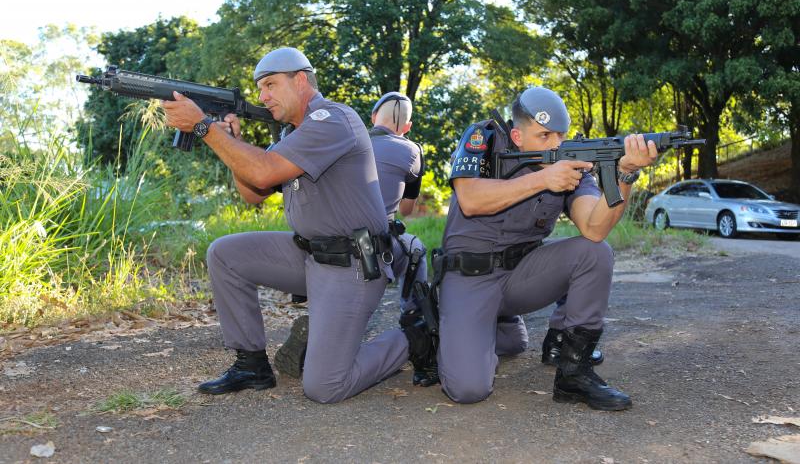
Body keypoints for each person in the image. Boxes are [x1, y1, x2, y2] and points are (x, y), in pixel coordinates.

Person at [161, 47, 435, 404]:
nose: (263, 96)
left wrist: (204, 127)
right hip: (310, 255)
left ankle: (416, 338)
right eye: (260, 88)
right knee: (225, 254)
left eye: (271, 85)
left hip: (351, 264)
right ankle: (251, 365)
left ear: (301, 80)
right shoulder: (293, 134)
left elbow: (263, 170)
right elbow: (253, 192)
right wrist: (232, 141)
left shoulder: (333, 119)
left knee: (325, 386)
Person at [436, 86, 658, 410]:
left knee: (594, 253)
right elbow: (470, 200)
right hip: (469, 277)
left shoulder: (570, 165)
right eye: (543, 136)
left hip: (519, 277)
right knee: (469, 388)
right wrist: (543, 180)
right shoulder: (484, 139)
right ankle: (446, 329)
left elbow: (594, 228)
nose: (555, 144)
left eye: (560, 135)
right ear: (517, 136)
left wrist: (625, 173)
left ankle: (573, 372)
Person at [368, 92, 437, 386]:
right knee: (416, 251)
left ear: (372, 118)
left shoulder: (349, 141)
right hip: (377, 242)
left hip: (331, 236)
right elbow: (406, 210)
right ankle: (415, 327)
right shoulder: (411, 150)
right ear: (407, 128)